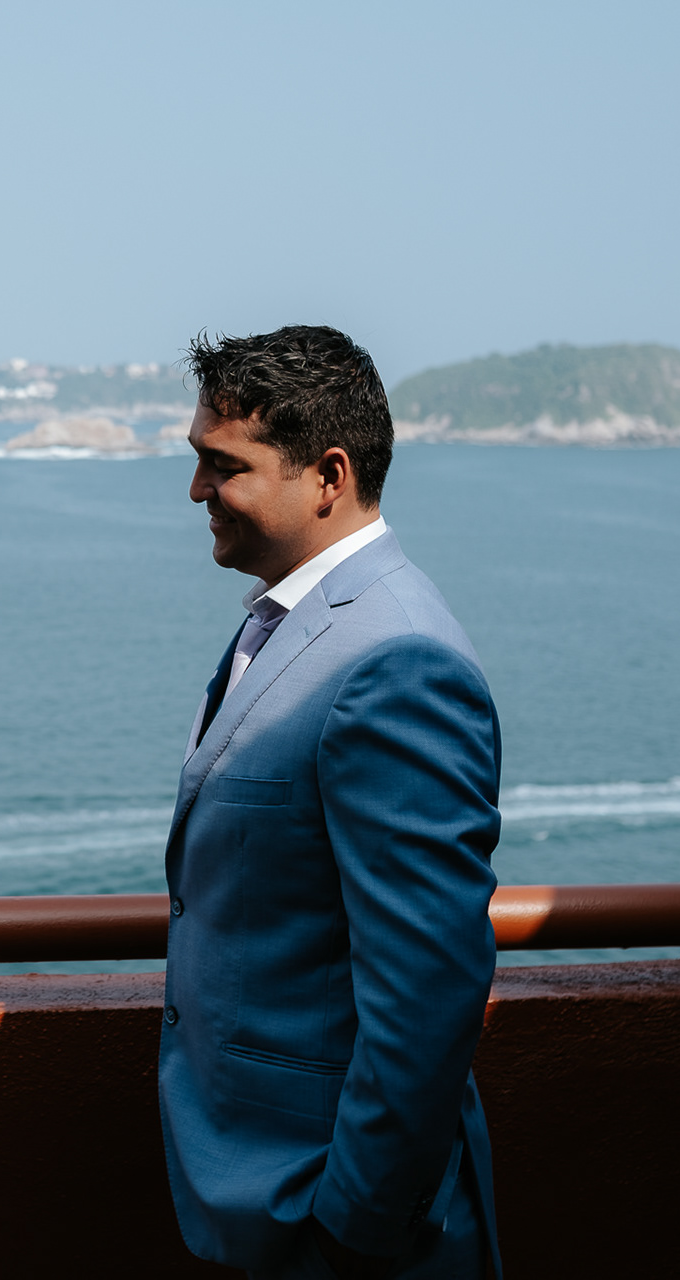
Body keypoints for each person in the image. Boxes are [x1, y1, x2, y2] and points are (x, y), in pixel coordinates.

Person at [160, 327, 502, 1280]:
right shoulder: (287, 624)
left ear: (328, 476)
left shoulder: (398, 663)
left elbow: (428, 986)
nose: (196, 490)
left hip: (330, 1216)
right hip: (260, 1193)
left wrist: (354, 1228)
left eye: (224, 466)